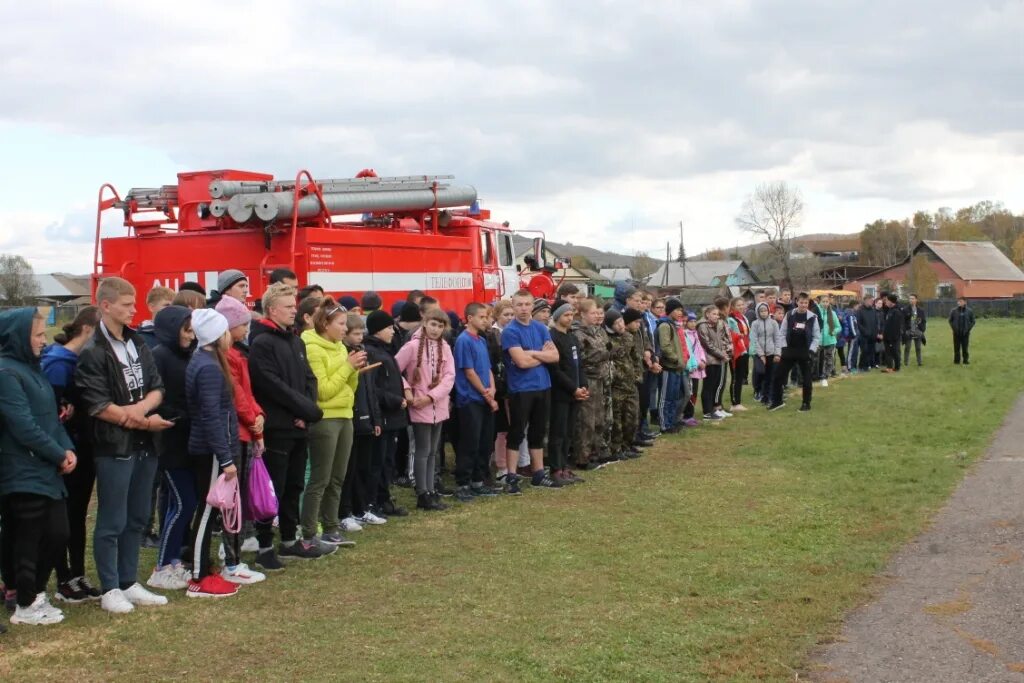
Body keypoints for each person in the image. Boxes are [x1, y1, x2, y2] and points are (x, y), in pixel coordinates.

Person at [0, 308, 76, 625]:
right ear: (18, 337)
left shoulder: (35, 370)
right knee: (29, 537)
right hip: (22, 470)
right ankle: (26, 604)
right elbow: (23, 426)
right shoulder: (6, 373)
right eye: (38, 335)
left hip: (47, 467)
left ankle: (32, 594)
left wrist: (68, 448)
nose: (43, 341)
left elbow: (51, 416)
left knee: (59, 533)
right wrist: (58, 454)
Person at [248, 283, 326, 570]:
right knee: (275, 487)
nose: (295, 311)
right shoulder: (262, 343)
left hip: (299, 424)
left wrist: (307, 411)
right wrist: (304, 409)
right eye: (288, 307)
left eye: (294, 306)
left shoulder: (296, 341)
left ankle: (291, 540)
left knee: (295, 484)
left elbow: (309, 379)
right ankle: (265, 544)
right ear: (271, 310)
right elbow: (271, 385)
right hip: (277, 427)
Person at [39, 307, 102, 603]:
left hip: (85, 447)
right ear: (88, 330)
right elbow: (49, 411)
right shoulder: (58, 364)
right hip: (68, 450)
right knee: (64, 516)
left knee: (77, 515)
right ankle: (63, 576)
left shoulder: (78, 361)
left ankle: (77, 573)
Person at [184, 310, 246, 598]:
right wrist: (226, 458)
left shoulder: (207, 360)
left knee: (208, 511)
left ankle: (202, 569)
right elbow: (211, 416)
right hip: (211, 450)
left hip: (213, 447)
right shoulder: (208, 367)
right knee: (207, 511)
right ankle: (198, 575)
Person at [301, 299, 364, 551]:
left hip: (345, 416)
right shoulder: (312, 347)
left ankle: (331, 527)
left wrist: (353, 370)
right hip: (325, 419)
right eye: (340, 324)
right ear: (325, 323)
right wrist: (348, 367)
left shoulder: (339, 347)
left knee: (337, 477)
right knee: (320, 478)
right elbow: (323, 391)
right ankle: (308, 532)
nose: (344, 329)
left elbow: (349, 387)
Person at [145, 305, 197, 593]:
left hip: (191, 440)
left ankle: (174, 559)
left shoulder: (189, 355)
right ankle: (163, 565)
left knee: (184, 503)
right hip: (172, 442)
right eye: (185, 329)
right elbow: (158, 397)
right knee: (182, 503)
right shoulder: (160, 357)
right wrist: (180, 415)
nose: (190, 335)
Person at [215, 295, 267, 581]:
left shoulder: (237, 354)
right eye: (242, 324)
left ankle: (235, 549)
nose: (247, 330)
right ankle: (230, 558)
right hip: (238, 432)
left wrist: (258, 416)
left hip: (247, 429)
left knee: (241, 494)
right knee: (232, 498)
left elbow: (248, 394)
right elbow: (238, 397)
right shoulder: (226, 358)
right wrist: (255, 423)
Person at [500, 290, 560, 491]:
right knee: (517, 432)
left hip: (543, 386)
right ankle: (511, 476)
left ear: (532, 305)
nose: (523, 308)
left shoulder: (541, 328)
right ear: (513, 306)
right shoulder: (510, 331)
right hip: (521, 389)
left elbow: (555, 356)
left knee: (538, 431)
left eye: (527, 304)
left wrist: (533, 353)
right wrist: (542, 355)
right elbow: (521, 362)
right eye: (519, 305)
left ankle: (538, 474)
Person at [396, 308, 456, 509]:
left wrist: (432, 396)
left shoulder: (445, 347)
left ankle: (430, 489)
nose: (436, 329)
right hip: (419, 405)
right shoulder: (412, 347)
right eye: (433, 324)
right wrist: (408, 391)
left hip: (437, 405)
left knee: (433, 452)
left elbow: (449, 376)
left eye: (440, 326)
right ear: (424, 323)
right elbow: (394, 370)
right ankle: (422, 492)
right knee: (422, 450)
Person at [362, 310, 409, 518]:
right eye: (389, 328)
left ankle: (384, 497)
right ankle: (375, 501)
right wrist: (395, 400)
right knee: (378, 461)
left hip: (393, 415)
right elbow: (373, 387)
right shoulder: (373, 352)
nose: (392, 331)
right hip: (383, 414)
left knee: (387, 460)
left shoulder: (385, 350)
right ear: (378, 330)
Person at [340, 314, 385, 526]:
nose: (359, 337)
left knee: (364, 467)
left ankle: (363, 507)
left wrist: (376, 418)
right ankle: (346, 511)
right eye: (355, 334)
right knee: (350, 469)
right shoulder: (345, 355)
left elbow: (370, 390)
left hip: (367, 418)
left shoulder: (362, 353)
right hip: (352, 417)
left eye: (361, 333)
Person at [453, 303, 500, 501]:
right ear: (469, 318)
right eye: (481, 317)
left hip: (485, 398)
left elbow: (487, 368)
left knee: (484, 441)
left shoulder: (481, 340)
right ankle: (463, 483)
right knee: (469, 442)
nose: (485, 320)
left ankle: (478, 481)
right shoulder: (464, 341)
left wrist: (493, 389)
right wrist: (486, 393)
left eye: (486, 317)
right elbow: (469, 371)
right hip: (470, 399)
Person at [546, 303, 588, 486]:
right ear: (557, 317)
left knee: (569, 432)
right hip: (561, 394)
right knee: (558, 433)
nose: (570, 318)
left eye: (571, 315)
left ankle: (564, 466)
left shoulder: (572, 337)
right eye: (566, 315)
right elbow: (555, 370)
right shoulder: (552, 337)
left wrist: (583, 385)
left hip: (575, 393)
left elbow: (580, 364)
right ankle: (555, 469)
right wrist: (573, 388)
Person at [574, 299, 611, 468]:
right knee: (586, 421)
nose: (597, 316)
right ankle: (582, 457)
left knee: (599, 419)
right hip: (588, 379)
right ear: (582, 314)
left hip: (601, 378)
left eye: (598, 312)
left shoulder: (599, 331)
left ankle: (595, 452)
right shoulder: (577, 333)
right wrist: (603, 354)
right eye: (593, 313)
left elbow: (607, 349)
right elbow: (581, 358)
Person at [768, 293, 821, 412]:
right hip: (789, 351)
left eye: (806, 303)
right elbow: (782, 333)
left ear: (808, 304)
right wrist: (784, 347)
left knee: (806, 379)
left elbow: (816, 336)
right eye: (801, 302)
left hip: (805, 351)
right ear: (797, 302)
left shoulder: (813, 317)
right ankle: (777, 402)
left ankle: (806, 404)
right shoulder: (789, 314)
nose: (803, 305)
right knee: (778, 376)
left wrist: (812, 350)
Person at [605, 309, 639, 459]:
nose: (620, 325)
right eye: (616, 323)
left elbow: (635, 357)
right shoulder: (607, 339)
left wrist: (638, 375)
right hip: (616, 385)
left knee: (632, 416)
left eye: (621, 321)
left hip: (630, 383)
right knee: (617, 419)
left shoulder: (628, 337)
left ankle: (627, 445)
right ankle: (616, 448)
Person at [656, 299, 687, 432]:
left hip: (676, 367)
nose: (680, 313)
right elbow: (665, 346)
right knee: (665, 398)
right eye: (678, 310)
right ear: (670, 310)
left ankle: (671, 422)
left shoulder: (673, 325)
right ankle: (664, 425)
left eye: (681, 310)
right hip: (669, 367)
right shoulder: (665, 325)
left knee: (674, 397)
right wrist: (676, 360)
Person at [697, 305, 730, 421]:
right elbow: (708, 344)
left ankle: (712, 410)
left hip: (717, 359)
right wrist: (722, 354)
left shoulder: (716, 325)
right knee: (708, 386)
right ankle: (707, 411)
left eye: (717, 314)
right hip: (709, 360)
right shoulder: (702, 326)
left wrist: (725, 351)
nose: (717, 316)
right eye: (714, 314)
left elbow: (720, 341)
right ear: (707, 314)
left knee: (714, 385)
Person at [748, 302, 781, 407]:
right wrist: (761, 355)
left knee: (770, 376)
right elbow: (754, 339)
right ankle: (758, 390)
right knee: (760, 371)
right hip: (759, 354)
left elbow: (777, 338)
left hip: (771, 353)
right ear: (758, 312)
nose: (763, 313)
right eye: (761, 311)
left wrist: (777, 353)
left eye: (765, 310)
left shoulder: (774, 323)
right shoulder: (755, 324)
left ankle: (767, 397)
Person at [726, 297, 751, 412]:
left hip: (745, 349)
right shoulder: (730, 319)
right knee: (736, 377)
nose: (741, 307)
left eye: (742, 304)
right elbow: (730, 334)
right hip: (736, 351)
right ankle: (735, 403)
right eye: (738, 305)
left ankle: (738, 402)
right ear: (732, 307)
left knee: (741, 377)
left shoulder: (744, 318)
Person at [681, 312, 705, 425]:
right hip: (691, 367)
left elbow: (700, 349)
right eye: (691, 321)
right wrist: (694, 363)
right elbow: (688, 352)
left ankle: (691, 414)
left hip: (698, 367)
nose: (693, 323)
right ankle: (686, 415)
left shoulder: (696, 334)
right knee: (689, 392)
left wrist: (703, 360)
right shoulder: (685, 334)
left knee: (695, 392)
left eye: (695, 321)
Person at [818, 297, 841, 386]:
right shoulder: (817, 313)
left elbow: (838, 327)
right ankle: (816, 376)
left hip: (830, 341)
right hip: (819, 341)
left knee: (829, 360)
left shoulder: (833, 313)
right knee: (817, 360)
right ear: (820, 302)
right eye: (823, 301)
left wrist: (833, 332)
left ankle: (825, 377)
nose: (825, 303)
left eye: (827, 302)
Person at [949, 296, 975, 365]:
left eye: (961, 301)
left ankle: (965, 360)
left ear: (965, 302)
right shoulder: (954, 311)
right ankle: (956, 361)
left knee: (965, 347)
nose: (959, 303)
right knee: (956, 348)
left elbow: (973, 321)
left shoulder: (969, 311)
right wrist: (954, 328)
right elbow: (950, 320)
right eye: (958, 301)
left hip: (965, 333)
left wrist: (968, 328)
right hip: (956, 333)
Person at [903, 294, 927, 367]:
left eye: (913, 298)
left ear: (916, 300)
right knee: (907, 347)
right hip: (909, 330)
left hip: (917, 330)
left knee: (918, 348)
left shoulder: (921, 310)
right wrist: (905, 331)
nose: (911, 300)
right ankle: (906, 362)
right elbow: (903, 321)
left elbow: (923, 321)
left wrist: (922, 330)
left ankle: (919, 362)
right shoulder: (905, 309)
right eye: (910, 299)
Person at [855, 295, 878, 371]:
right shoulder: (860, 311)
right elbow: (858, 323)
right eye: (870, 300)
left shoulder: (873, 310)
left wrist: (875, 332)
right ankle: (862, 366)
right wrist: (865, 331)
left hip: (872, 334)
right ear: (865, 300)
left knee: (871, 351)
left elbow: (875, 322)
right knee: (864, 351)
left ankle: (868, 365)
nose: (872, 302)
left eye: (872, 301)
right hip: (864, 335)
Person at [882, 294, 903, 373]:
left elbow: (895, 327)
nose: (886, 302)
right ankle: (889, 367)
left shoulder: (896, 312)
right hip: (887, 336)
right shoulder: (889, 310)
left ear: (891, 301)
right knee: (888, 353)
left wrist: (892, 338)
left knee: (894, 352)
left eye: (887, 300)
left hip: (893, 337)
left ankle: (897, 367)